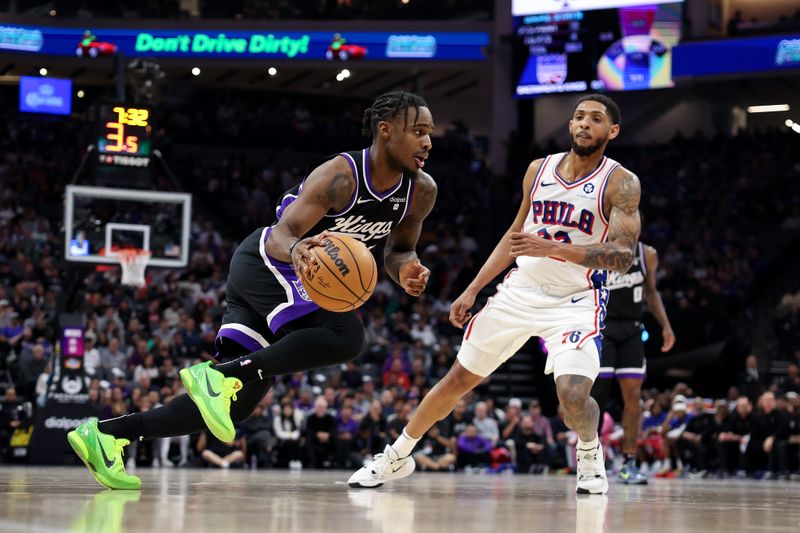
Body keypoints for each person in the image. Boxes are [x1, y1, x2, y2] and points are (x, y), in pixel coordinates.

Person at [68, 91, 437, 490]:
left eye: (430, 133)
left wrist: (406, 270)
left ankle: (108, 435)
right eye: (418, 131)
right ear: (385, 131)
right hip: (268, 263)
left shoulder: (421, 191)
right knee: (347, 337)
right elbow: (283, 234)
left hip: (300, 280)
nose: (428, 142)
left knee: (236, 404)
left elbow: (399, 250)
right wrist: (297, 251)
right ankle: (221, 375)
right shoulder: (341, 176)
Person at [349, 93, 641, 495]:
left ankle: (590, 452)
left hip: (576, 298)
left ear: (612, 131)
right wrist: (472, 289)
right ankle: (397, 455)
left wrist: (555, 249)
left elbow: (624, 257)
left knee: (573, 395)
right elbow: (513, 236)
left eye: (594, 118)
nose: (584, 123)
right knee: (456, 380)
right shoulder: (539, 170)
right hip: (520, 291)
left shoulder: (621, 182)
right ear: (570, 126)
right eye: (577, 117)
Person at [590, 239, 676, 485]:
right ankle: (590, 460)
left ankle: (629, 462)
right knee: (599, 395)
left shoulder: (647, 254)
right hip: (602, 327)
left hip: (632, 330)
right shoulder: (598, 248)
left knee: (633, 396)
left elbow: (651, 291)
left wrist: (666, 325)